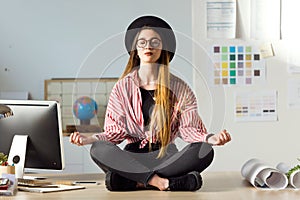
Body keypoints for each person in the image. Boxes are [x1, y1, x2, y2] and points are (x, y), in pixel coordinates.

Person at [70, 15, 231, 192]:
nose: (148, 46)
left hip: (167, 157)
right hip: (132, 158)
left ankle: (135, 181)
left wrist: (211, 138)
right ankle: (164, 182)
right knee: (98, 148)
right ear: (135, 49)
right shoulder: (122, 87)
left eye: (155, 42)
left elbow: (189, 129)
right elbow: (115, 132)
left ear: (163, 48)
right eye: (142, 42)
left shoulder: (180, 88)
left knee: (205, 151)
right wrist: (89, 139)